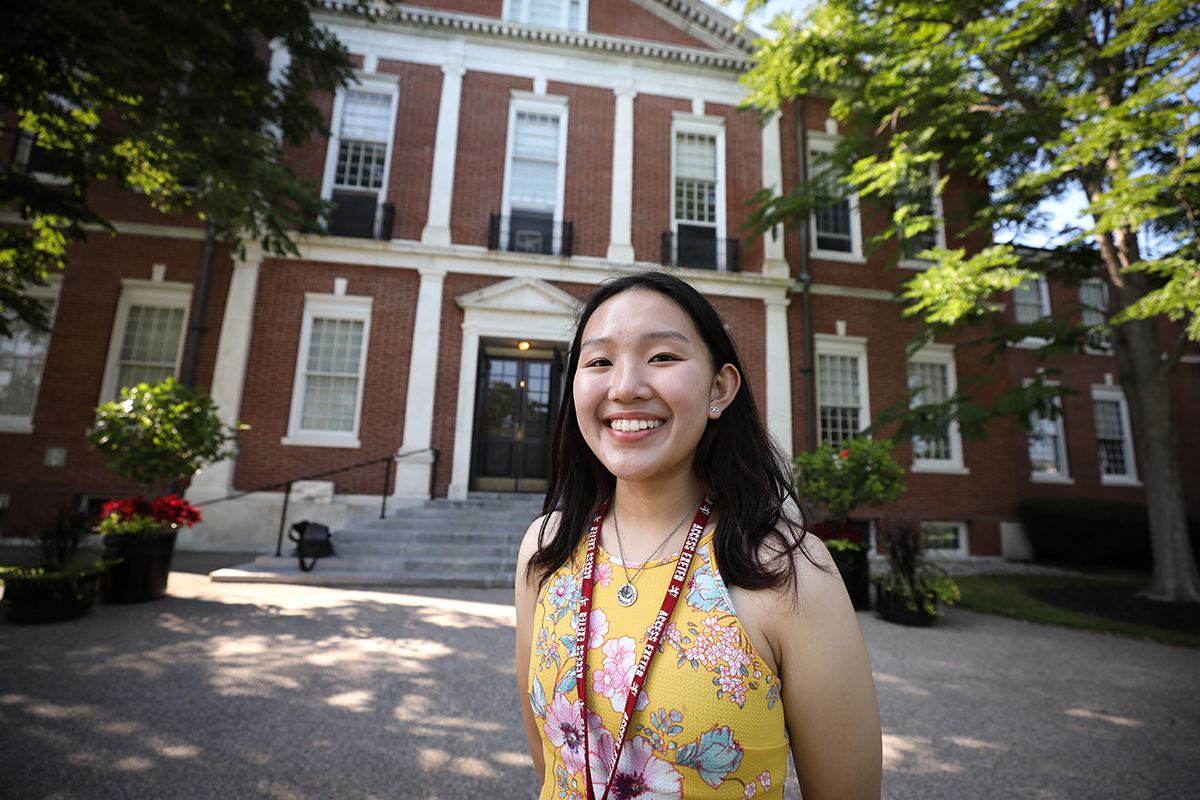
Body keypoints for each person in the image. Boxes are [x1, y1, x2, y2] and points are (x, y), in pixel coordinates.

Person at [515, 271, 881, 800]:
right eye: (598, 361)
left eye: (662, 357)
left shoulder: (791, 574)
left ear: (719, 388)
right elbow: (549, 762)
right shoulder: (545, 550)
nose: (624, 387)